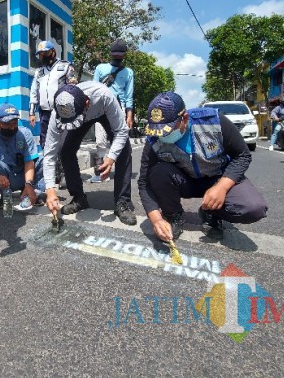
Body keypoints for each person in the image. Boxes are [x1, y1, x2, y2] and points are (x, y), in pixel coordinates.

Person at [137, 92, 268, 242]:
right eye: (158, 131)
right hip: (184, 181)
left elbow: (243, 155)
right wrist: (156, 220)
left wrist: (222, 187)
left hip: (218, 178)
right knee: (159, 173)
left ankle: (212, 213)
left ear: (184, 118)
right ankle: (173, 216)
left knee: (253, 208)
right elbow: (144, 182)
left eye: (168, 130)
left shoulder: (213, 121)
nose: (162, 136)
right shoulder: (154, 138)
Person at [43, 82, 137, 225]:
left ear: (87, 103)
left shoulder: (104, 96)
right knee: (66, 150)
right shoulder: (59, 111)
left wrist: (111, 158)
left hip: (104, 111)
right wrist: (50, 189)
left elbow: (121, 131)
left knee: (124, 150)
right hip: (79, 114)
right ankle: (79, 198)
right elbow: (49, 153)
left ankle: (122, 202)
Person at [91, 39, 135, 183]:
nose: (117, 57)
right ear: (110, 54)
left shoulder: (128, 72)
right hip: (101, 107)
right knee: (100, 141)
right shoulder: (100, 68)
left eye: (119, 54)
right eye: (114, 54)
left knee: (119, 140)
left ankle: (121, 173)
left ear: (124, 55)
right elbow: (93, 89)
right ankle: (101, 172)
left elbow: (129, 95)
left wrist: (129, 115)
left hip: (118, 108)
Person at [28, 40, 77, 150]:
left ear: (53, 51)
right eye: (40, 54)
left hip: (62, 111)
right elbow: (34, 92)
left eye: (45, 53)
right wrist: (31, 113)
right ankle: (47, 165)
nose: (43, 56)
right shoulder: (39, 72)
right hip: (44, 112)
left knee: (63, 140)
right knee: (45, 140)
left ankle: (62, 164)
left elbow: (73, 88)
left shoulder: (65, 67)